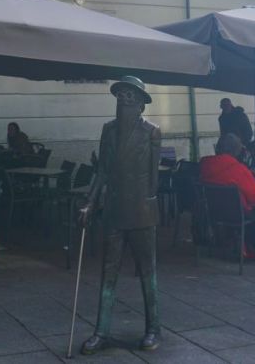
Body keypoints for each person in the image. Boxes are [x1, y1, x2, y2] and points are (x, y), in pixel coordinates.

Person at [79, 77, 162, 354]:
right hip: (114, 211)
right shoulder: (109, 130)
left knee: (147, 272)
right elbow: (102, 170)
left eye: (129, 97)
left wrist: (148, 209)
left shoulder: (151, 132)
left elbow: (153, 181)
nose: (123, 101)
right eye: (120, 97)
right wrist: (90, 203)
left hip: (141, 211)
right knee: (108, 272)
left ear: (140, 104)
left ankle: (153, 328)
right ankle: (101, 331)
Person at [200, 133, 255, 258]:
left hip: (213, 213)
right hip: (238, 214)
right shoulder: (238, 169)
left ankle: (236, 240)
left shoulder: (205, 165)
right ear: (237, 150)